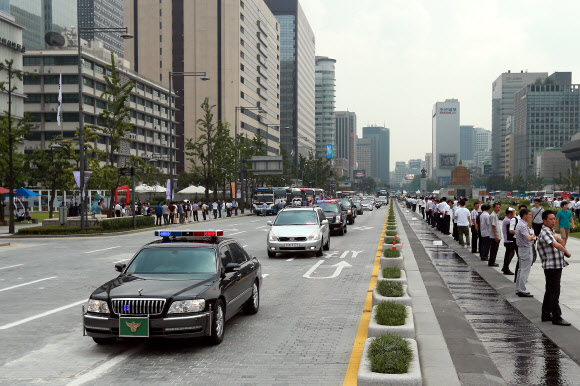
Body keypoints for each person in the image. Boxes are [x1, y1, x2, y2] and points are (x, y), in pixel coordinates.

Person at [538, 210, 572, 326]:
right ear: (544, 221)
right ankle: (556, 317)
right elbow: (556, 245)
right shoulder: (545, 232)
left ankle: (546, 314)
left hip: (556, 265)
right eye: (550, 219)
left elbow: (561, 242)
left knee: (550, 290)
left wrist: (557, 237)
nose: (553, 221)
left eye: (554, 219)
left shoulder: (551, 232)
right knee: (554, 291)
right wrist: (567, 252)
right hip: (551, 266)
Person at [514, 209, 536, 297]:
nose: (530, 216)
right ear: (524, 215)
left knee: (521, 269)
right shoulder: (522, 225)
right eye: (529, 214)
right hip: (525, 249)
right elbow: (527, 238)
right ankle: (521, 289)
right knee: (525, 269)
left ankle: (518, 288)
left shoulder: (521, 224)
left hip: (522, 248)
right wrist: (533, 236)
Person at [502, 208, 516, 275]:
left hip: (509, 240)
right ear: (510, 214)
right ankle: (506, 268)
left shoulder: (507, 220)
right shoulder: (507, 220)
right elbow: (516, 222)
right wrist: (514, 215)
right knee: (509, 255)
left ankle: (505, 267)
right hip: (508, 241)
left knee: (510, 254)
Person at [489, 202, 502, 267]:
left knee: (494, 249)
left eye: (499, 207)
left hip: (496, 235)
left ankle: (492, 261)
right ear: (493, 208)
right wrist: (496, 235)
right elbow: (493, 226)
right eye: (497, 207)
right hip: (494, 236)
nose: (498, 209)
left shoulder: (495, 215)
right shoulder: (493, 215)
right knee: (493, 249)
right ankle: (491, 262)